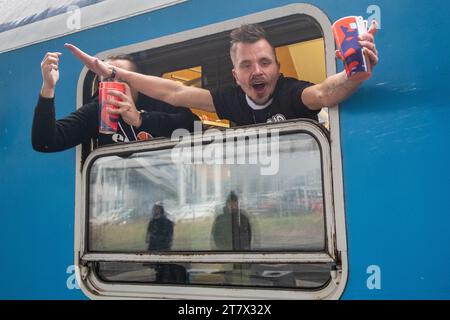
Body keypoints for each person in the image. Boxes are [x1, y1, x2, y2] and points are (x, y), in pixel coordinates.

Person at [64, 21, 378, 126]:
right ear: (235, 74)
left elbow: (324, 92)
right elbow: (173, 92)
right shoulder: (230, 100)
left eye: (265, 62)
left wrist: (354, 74)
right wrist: (116, 72)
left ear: (277, 68)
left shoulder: (290, 92)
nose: (257, 71)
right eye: (246, 65)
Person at [32, 52, 199, 152]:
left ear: (138, 83)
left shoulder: (155, 100)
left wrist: (141, 119)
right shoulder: (98, 109)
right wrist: (48, 87)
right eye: (108, 80)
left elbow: (195, 126)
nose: (115, 86)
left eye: (122, 79)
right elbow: (45, 142)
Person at [145, 202, 187, 283]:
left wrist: (164, 242)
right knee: (156, 268)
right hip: (154, 247)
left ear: (161, 210)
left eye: (157, 208)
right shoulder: (153, 221)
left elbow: (168, 236)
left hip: (162, 247)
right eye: (154, 209)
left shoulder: (166, 221)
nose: (155, 210)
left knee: (164, 267)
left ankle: (164, 279)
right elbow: (148, 235)